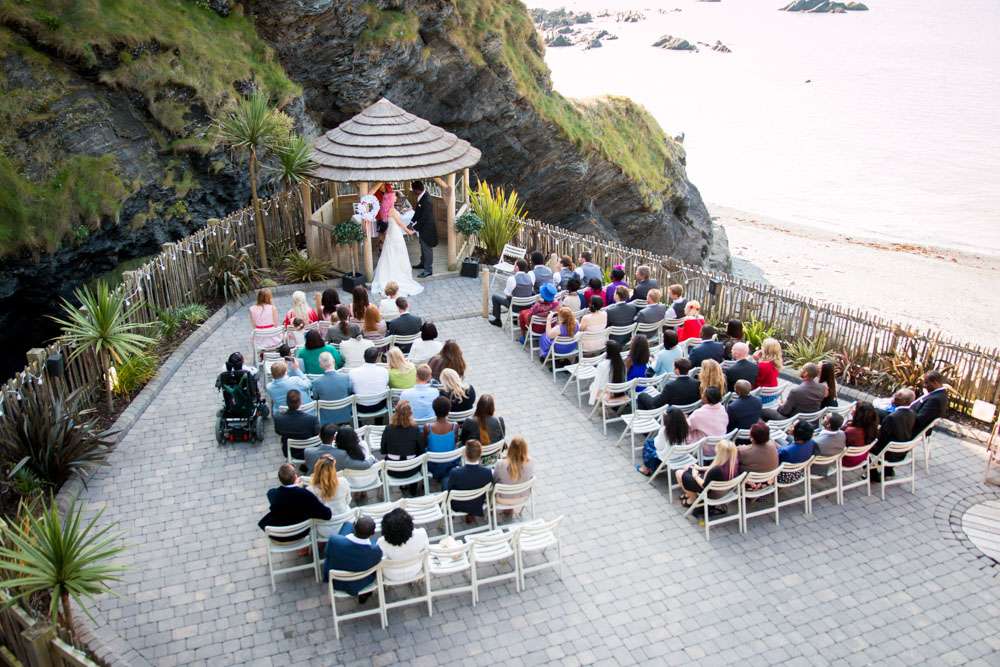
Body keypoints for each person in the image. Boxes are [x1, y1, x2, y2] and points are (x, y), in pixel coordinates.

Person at [372, 182, 424, 294]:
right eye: (394, 196)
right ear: (391, 199)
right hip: (395, 235)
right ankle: (397, 274)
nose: (396, 197)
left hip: (391, 234)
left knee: (390, 253)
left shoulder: (386, 210)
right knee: (398, 253)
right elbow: (401, 224)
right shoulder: (392, 211)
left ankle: (389, 272)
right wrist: (409, 231)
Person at [259, 463, 333, 540]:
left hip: (281, 536)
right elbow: (327, 515)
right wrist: (297, 487)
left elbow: (275, 493)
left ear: (280, 479)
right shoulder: (306, 494)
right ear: (295, 477)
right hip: (301, 533)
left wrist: (295, 487)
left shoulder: (273, 494)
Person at [323, 516, 382, 600]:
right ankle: (365, 593)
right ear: (373, 533)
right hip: (362, 583)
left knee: (347, 525)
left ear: (354, 527)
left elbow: (326, 554)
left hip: (336, 581)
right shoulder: (375, 550)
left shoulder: (334, 540)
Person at [675, 440, 739, 509]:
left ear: (721, 453)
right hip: (722, 491)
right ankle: (689, 494)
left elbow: (704, 485)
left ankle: (692, 499)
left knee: (679, 473)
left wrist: (695, 476)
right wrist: (700, 468)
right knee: (687, 468)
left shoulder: (716, 470)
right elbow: (714, 468)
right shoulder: (733, 463)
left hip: (710, 492)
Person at [870, 389, 916, 481]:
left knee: (863, 443)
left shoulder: (891, 417)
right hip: (901, 451)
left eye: (897, 398)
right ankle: (888, 470)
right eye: (895, 396)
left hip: (888, 452)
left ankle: (873, 474)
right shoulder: (913, 414)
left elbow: (881, 439)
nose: (894, 398)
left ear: (905, 402)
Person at [381, 400, 425, 494]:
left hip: (393, 469)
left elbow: (383, 450)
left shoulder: (388, 429)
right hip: (412, 469)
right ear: (410, 413)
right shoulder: (415, 429)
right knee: (416, 456)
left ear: (395, 412)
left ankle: (404, 486)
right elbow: (421, 450)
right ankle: (413, 489)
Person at [444, 439, 493, 520]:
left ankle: (448, 511)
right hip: (478, 504)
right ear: (480, 454)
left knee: (445, 481)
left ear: (465, 454)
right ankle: (471, 514)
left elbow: (449, 490)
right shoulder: (487, 472)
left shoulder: (455, 472)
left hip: (458, 505)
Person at [377, 508, 429, 583]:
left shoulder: (381, 543)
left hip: (392, 575)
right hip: (415, 569)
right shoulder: (421, 533)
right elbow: (426, 549)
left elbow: (380, 559)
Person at [307, 455, 352, 540]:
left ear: (316, 470)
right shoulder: (343, 481)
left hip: (324, 530)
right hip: (344, 524)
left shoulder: (310, 490)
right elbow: (348, 501)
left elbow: (311, 512)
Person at [637, 407, 689, 476]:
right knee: (654, 443)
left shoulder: (665, 431)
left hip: (668, 456)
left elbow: (658, 446)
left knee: (648, 444)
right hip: (680, 454)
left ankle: (646, 468)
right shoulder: (685, 427)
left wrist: (661, 429)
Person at [458, 394, 506, 464]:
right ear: (492, 407)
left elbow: (463, 440)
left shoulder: (469, 421)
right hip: (493, 456)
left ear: (478, 406)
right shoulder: (499, 420)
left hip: (474, 458)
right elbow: (502, 438)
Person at [493, 436, 535, 513]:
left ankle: (506, 509)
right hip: (522, 498)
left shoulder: (500, 464)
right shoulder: (531, 462)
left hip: (502, 499)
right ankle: (510, 508)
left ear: (510, 449)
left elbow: (494, 480)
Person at [274, 389, 320, 458]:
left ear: (286, 402)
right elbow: (316, 433)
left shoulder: (278, 418)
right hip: (310, 451)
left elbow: (278, 432)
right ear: (300, 402)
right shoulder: (312, 419)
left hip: (290, 452)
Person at [424, 396, 460, 482]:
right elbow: (454, 443)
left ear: (434, 410)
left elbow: (425, 444)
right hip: (450, 464)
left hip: (433, 466)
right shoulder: (455, 426)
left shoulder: (427, 427)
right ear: (448, 411)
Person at [489, 258, 534, 327]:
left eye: (514, 265)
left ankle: (497, 320)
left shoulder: (512, 279)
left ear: (517, 267)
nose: (513, 266)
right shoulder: (530, 277)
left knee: (495, 297)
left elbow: (507, 294)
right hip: (527, 306)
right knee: (518, 296)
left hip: (515, 307)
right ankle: (515, 319)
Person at [312, 352, 352, 425]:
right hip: (345, 416)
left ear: (320, 365)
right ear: (333, 361)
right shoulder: (346, 377)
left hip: (326, 419)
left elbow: (315, 398)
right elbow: (350, 392)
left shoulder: (316, 382)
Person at [688, 386, 729, 455]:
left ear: (706, 398)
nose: (701, 395)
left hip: (703, 449)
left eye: (703, 394)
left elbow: (686, 428)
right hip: (720, 447)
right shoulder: (722, 409)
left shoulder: (699, 413)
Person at [409, 180, 437, 279]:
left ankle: (428, 270)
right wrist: (411, 222)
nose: (412, 192)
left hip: (427, 229)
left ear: (417, 190)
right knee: (422, 247)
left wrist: (414, 227)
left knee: (427, 248)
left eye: (413, 190)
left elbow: (425, 217)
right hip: (423, 228)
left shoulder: (427, 200)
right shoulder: (422, 196)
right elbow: (418, 212)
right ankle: (423, 263)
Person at [349, 348, 389, 415]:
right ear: (377, 358)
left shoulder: (352, 372)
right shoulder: (384, 371)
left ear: (364, 357)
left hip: (360, 407)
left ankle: (358, 421)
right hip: (379, 405)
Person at [588, 340, 627, 406]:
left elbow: (597, 383)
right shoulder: (622, 364)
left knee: (592, 386)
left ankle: (599, 406)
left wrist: (591, 401)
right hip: (618, 393)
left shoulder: (602, 365)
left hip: (606, 394)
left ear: (607, 351)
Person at [843, 401, 879, 468]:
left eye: (855, 408)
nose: (852, 410)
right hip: (862, 456)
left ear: (858, 414)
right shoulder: (873, 427)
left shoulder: (852, 431)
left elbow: (838, 441)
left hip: (847, 460)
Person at [754, 338, 784, 403]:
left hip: (761, 397)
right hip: (773, 395)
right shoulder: (776, 363)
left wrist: (755, 361)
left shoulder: (762, 365)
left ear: (765, 350)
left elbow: (754, 380)